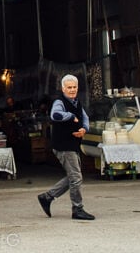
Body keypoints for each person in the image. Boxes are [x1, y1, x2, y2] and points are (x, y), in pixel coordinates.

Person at [37, 74, 95, 221]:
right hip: (63, 145)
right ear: (63, 88)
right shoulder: (59, 102)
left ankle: (47, 197)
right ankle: (77, 208)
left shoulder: (77, 102)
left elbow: (85, 117)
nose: (72, 90)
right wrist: (70, 116)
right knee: (76, 177)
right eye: (69, 87)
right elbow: (55, 115)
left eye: (74, 87)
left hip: (73, 144)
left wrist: (84, 129)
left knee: (74, 176)